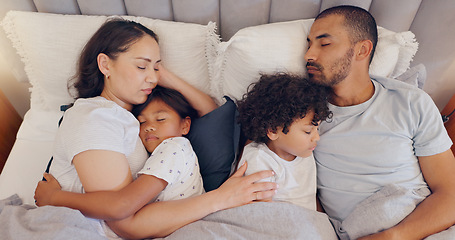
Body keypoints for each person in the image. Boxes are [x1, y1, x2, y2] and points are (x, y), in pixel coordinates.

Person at [34, 18, 278, 239]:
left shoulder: (131, 117)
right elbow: (123, 222)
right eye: (142, 66)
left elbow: (211, 112)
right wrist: (222, 198)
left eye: (157, 67)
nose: (152, 77)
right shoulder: (96, 117)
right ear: (105, 65)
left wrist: (160, 75)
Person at [305, 5, 455, 240]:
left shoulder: (410, 102)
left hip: (420, 225)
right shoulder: (302, 112)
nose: (309, 55)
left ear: (362, 50)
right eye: (308, 44)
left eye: (324, 44)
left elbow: (450, 194)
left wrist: (393, 237)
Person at [236, 73, 332, 210]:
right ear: (274, 131)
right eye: (308, 131)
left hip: (309, 221)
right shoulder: (259, 159)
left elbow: (310, 198)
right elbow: (259, 210)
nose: (317, 137)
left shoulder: (304, 152)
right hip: (276, 220)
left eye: (317, 129)